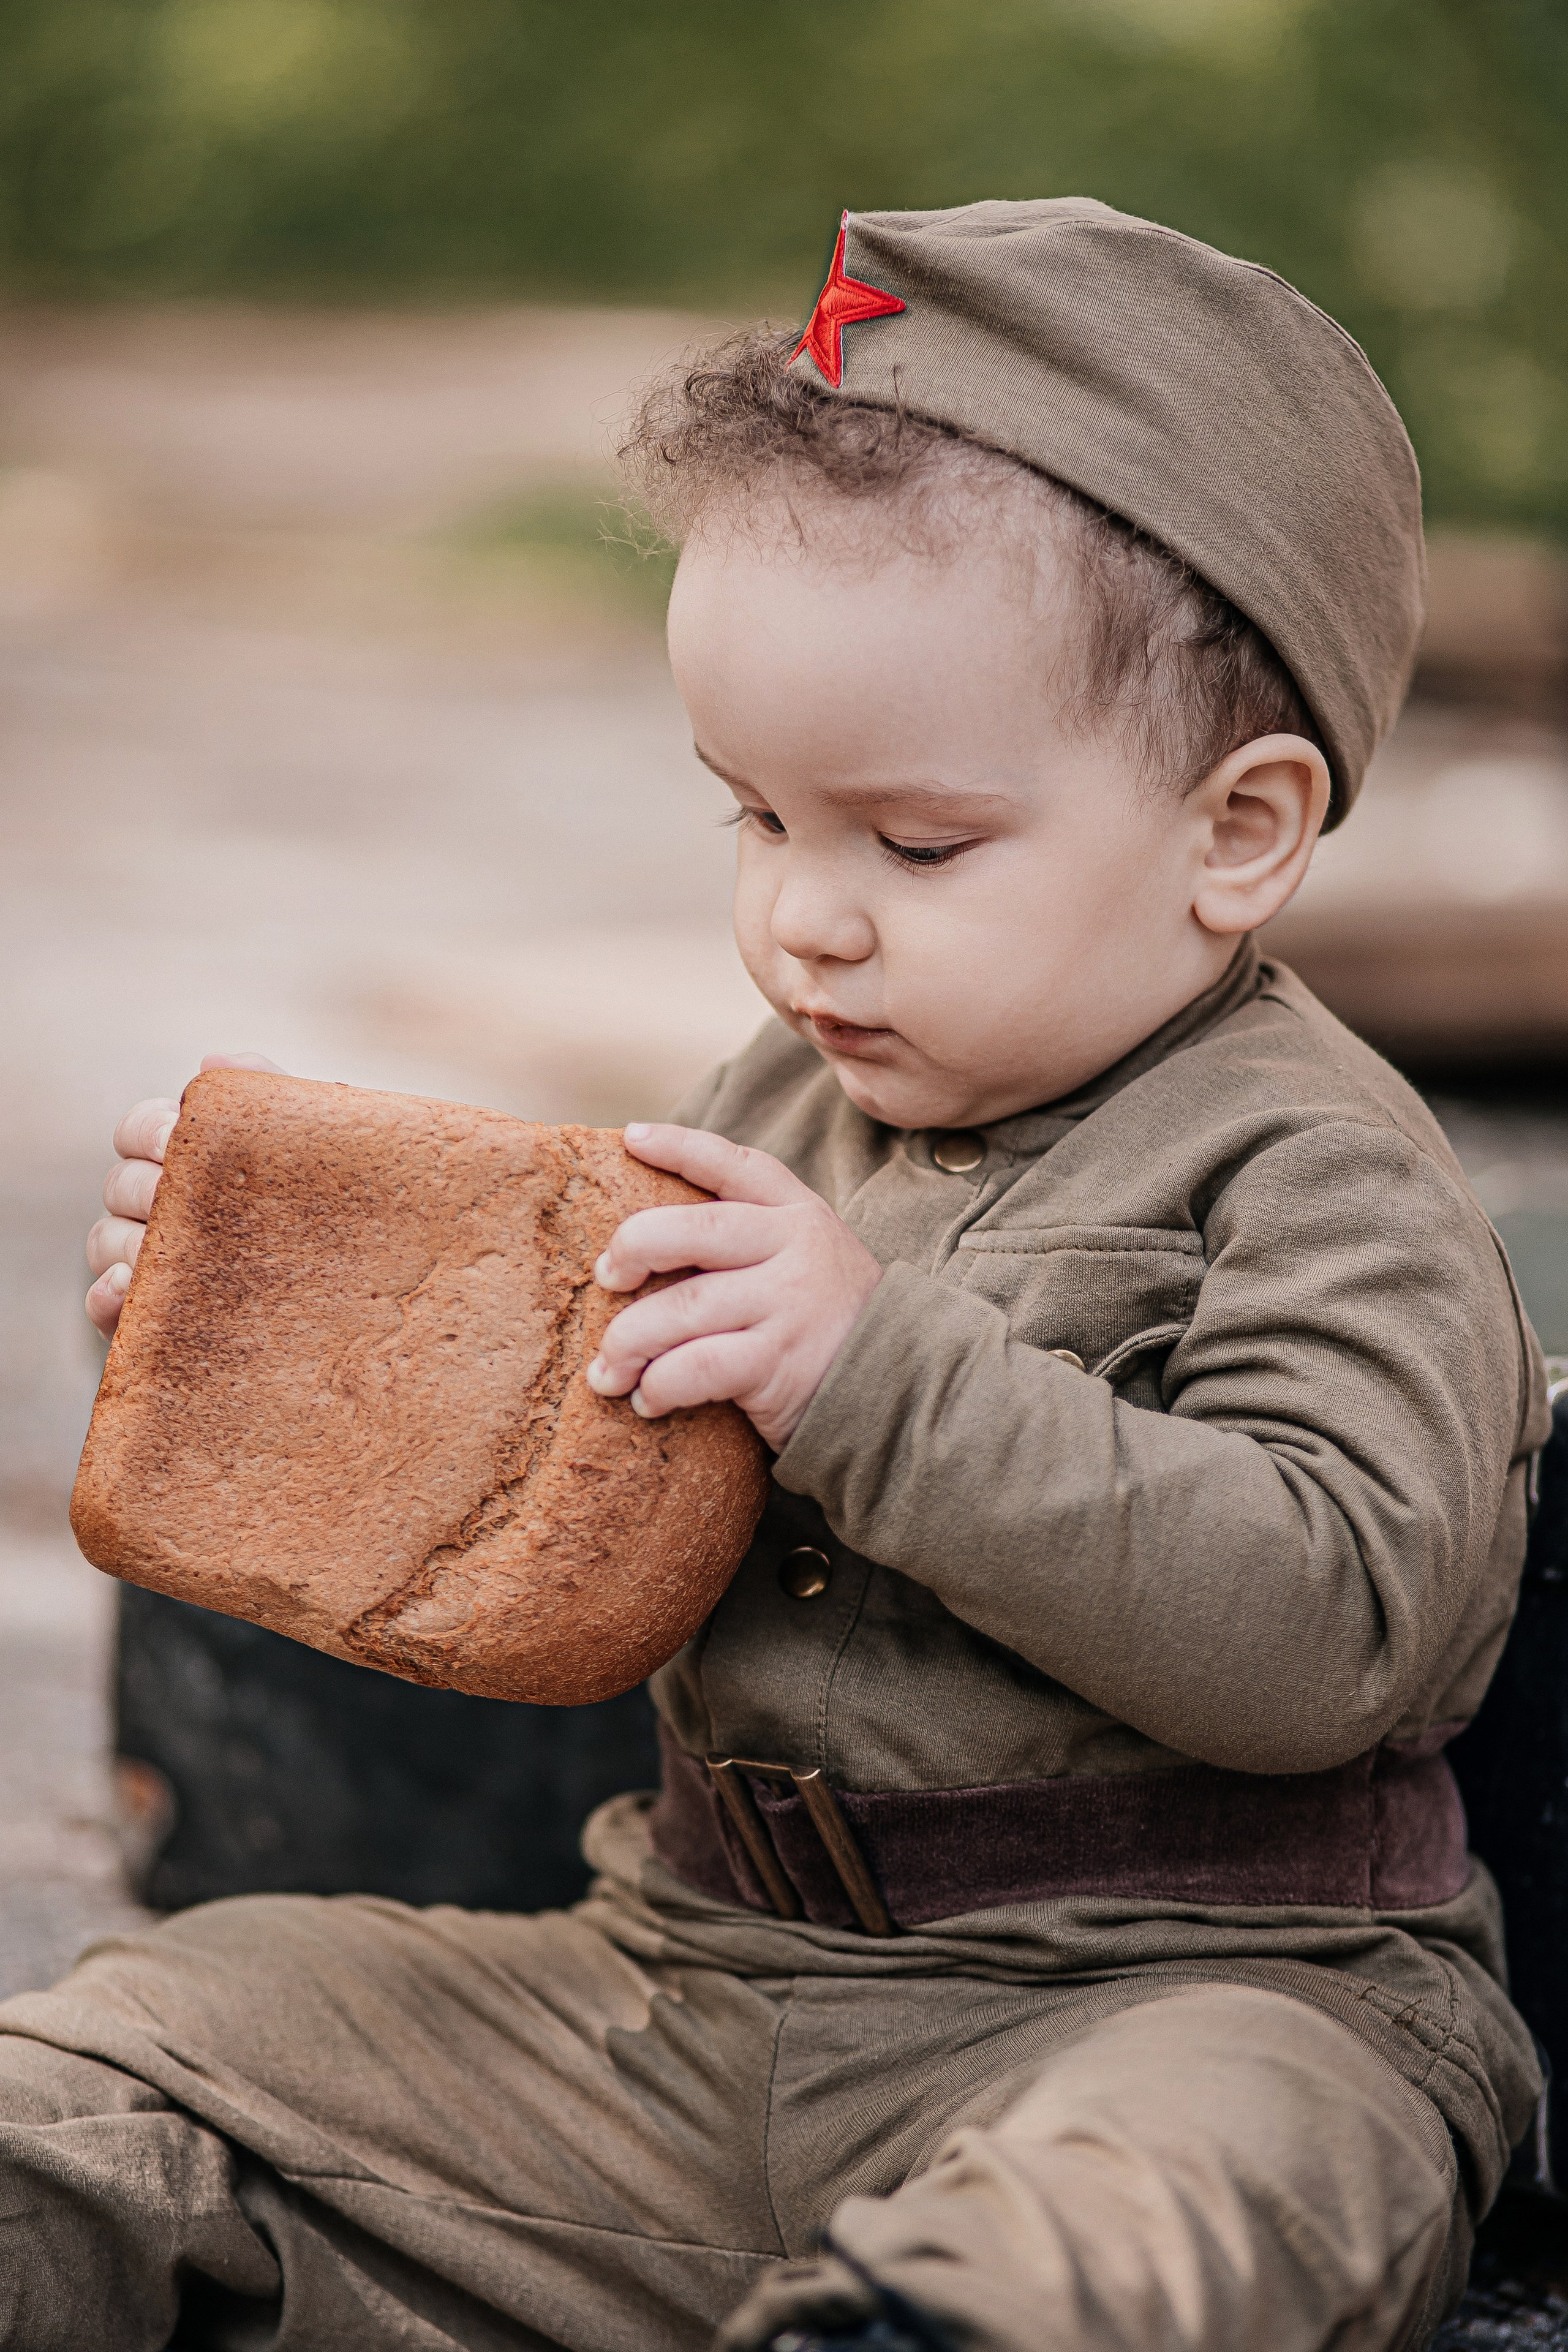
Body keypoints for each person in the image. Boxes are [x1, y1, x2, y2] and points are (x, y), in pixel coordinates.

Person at [4, 198, 1545, 2352]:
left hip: (1186, 1990)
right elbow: (572, 1514)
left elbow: (1328, 1632)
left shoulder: (1320, 1176)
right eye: (751, 816)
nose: (806, 921)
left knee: (1198, 2192)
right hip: (688, 1994)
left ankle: (926, 2324)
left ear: (1240, 831)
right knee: (155, 2039)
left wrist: (872, 1372)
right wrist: (271, 1340)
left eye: (915, 845)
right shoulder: (784, 1095)